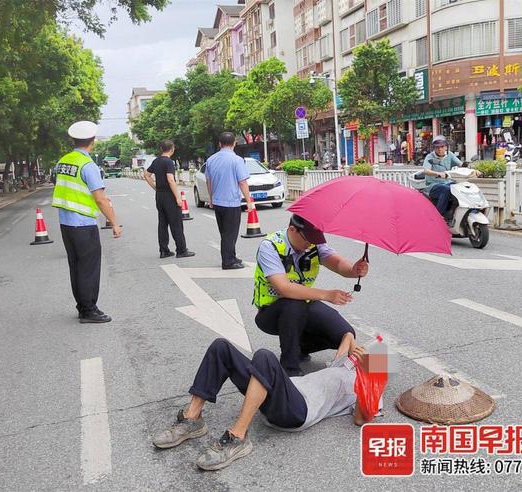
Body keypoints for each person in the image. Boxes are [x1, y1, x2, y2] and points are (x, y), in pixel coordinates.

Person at [152, 334, 376, 471]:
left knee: (264, 357)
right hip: (279, 390)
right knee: (221, 347)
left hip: (298, 411)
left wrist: (368, 372)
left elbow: (362, 418)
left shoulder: (366, 384)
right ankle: (193, 419)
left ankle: (237, 436)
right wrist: (356, 346)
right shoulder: (340, 366)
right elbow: (347, 336)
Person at [253, 214, 369, 376]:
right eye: (307, 240)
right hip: (271, 312)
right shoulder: (270, 246)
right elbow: (284, 288)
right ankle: (290, 369)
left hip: (304, 304)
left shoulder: (314, 244)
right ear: (292, 229)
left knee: (345, 334)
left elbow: (336, 263)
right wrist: (327, 295)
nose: (310, 245)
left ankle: (299, 347)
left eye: (314, 240)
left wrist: (354, 270)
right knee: (293, 303)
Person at [52, 121, 121, 323]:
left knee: (76, 267)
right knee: (89, 267)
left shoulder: (63, 161)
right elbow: (99, 198)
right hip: (83, 224)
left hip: (66, 224)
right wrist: (114, 222)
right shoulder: (87, 165)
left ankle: (83, 307)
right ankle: (90, 310)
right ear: (92, 141)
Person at [205, 132, 253, 270]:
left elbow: (209, 181)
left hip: (217, 202)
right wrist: (249, 201)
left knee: (225, 233)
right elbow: (242, 182)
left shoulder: (211, 160)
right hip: (231, 202)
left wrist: (211, 198)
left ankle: (231, 256)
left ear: (219, 144)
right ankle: (227, 262)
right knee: (230, 233)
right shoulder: (237, 160)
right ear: (234, 143)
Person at [144, 140, 195, 259]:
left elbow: (146, 175)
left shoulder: (156, 161)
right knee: (176, 223)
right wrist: (178, 197)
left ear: (161, 149)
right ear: (172, 149)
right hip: (169, 196)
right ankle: (181, 250)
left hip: (159, 196)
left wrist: (155, 187)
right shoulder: (169, 162)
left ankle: (164, 250)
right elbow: (170, 180)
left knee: (162, 223)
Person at [422, 135, 481, 220]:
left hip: (447, 182)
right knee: (446, 189)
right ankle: (438, 216)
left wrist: (474, 170)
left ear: (446, 147)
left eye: (442, 147)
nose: (440, 149)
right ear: (434, 148)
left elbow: (461, 165)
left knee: (462, 188)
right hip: (433, 185)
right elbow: (426, 170)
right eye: (437, 147)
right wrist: (438, 173)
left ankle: (471, 211)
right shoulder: (430, 157)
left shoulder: (450, 155)